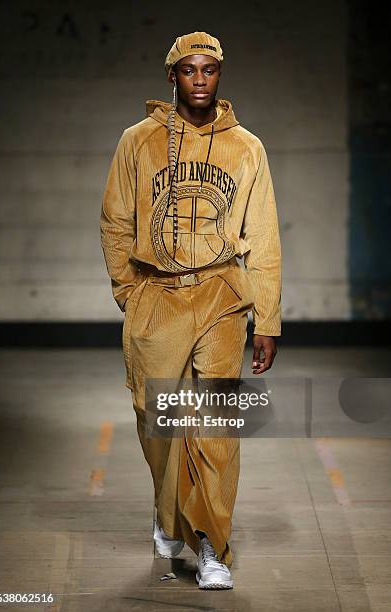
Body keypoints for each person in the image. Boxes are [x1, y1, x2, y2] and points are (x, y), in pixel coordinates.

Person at [100, 31, 282, 590]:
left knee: (215, 426)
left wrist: (266, 320)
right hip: (157, 295)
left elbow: (265, 236)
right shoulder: (139, 141)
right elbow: (115, 220)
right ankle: (168, 512)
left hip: (224, 296)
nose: (199, 80)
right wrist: (130, 292)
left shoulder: (247, 146)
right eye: (188, 70)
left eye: (209, 70)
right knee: (160, 422)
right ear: (172, 76)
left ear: (220, 75)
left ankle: (211, 544)